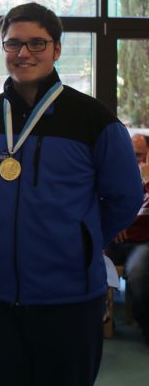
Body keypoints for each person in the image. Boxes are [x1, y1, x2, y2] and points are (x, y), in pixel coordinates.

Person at [0, 2, 142, 385]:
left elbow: (125, 197)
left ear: (57, 49)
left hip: (69, 296)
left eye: (37, 43)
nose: (24, 53)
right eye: (13, 43)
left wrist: (84, 239)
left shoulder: (94, 119)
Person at [105, 133, 149, 343]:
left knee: (137, 272)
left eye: (139, 155)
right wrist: (115, 223)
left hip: (143, 242)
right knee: (90, 264)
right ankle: (100, 321)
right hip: (115, 239)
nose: (135, 160)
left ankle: (145, 325)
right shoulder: (118, 174)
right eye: (132, 155)